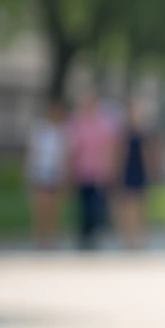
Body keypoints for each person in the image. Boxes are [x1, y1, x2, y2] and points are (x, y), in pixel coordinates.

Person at [67, 92, 118, 250]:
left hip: (98, 170)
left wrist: (109, 168)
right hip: (82, 170)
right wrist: (70, 169)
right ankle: (84, 232)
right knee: (83, 203)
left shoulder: (104, 123)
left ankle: (96, 231)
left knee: (96, 204)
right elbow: (73, 148)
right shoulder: (77, 123)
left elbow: (109, 148)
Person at [116, 98, 162, 249]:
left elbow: (149, 154)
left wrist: (153, 170)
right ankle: (128, 236)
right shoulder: (123, 133)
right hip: (128, 169)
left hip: (140, 170)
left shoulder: (145, 133)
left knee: (141, 204)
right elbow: (119, 154)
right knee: (127, 204)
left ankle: (139, 236)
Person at [25, 101, 68, 250]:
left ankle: (52, 237)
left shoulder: (63, 132)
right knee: (41, 205)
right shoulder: (40, 130)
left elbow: (66, 155)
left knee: (54, 207)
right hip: (41, 172)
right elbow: (33, 153)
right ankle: (41, 236)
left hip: (56, 173)